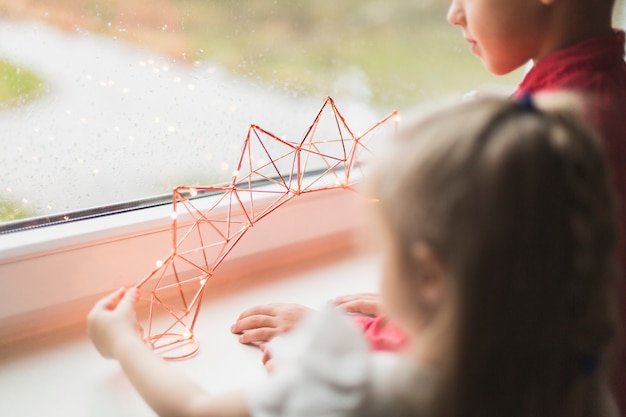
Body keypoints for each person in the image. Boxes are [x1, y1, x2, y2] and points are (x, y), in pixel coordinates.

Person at [89, 94, 621, 417]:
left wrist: (124, 344)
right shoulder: (571, 373)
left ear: (431, 276)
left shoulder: (372, 395)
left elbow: (194, 409)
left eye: (383, 246)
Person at [232, 0, 626, 411]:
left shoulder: (566, 133)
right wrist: (430, 308)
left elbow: (496, 331)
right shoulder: (597, 92)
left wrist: (346, 344)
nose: (453, 14)